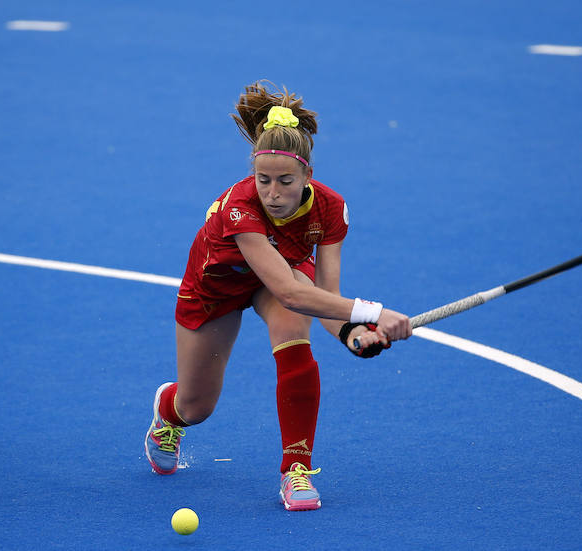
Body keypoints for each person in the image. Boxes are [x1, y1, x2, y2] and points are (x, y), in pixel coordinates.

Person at [144, 81, 413, 511]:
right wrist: (375, 312)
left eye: (285, 181)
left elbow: (324, 298)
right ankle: (168, 411)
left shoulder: (330, 209)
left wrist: (353, 333)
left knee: (293, 333)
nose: (272, 193)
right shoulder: (240, 207)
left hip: (280, 277)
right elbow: (289, 291)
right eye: (263, 180)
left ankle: (296, 469)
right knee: (196, 408)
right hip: (215, 289)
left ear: (308, 176)